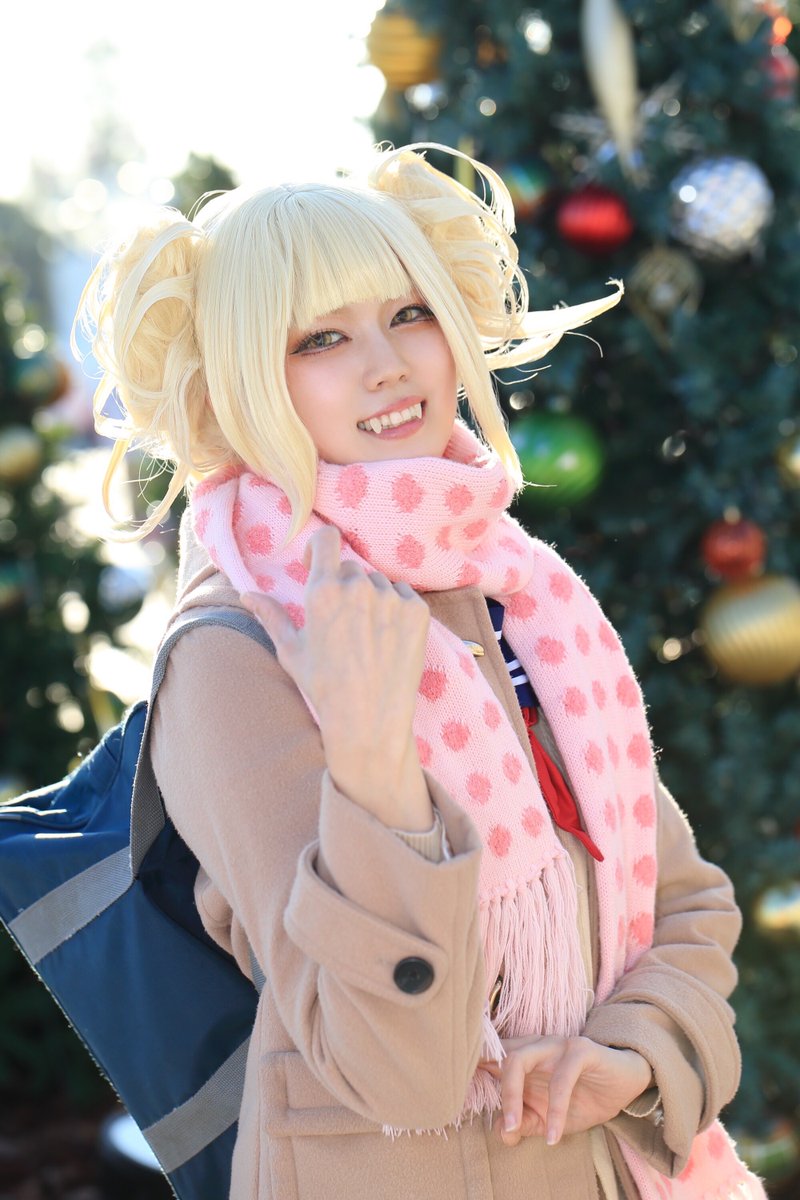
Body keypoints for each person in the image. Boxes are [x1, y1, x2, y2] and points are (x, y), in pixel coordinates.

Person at [75, 143, 764, 1200]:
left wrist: (629, 1052)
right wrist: (371, 762)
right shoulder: (234, 651)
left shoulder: (516, 589)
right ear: (242, 379)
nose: (388, 364)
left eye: (408, 314)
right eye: (319, 339)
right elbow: (393, 1073)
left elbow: (686, 901)